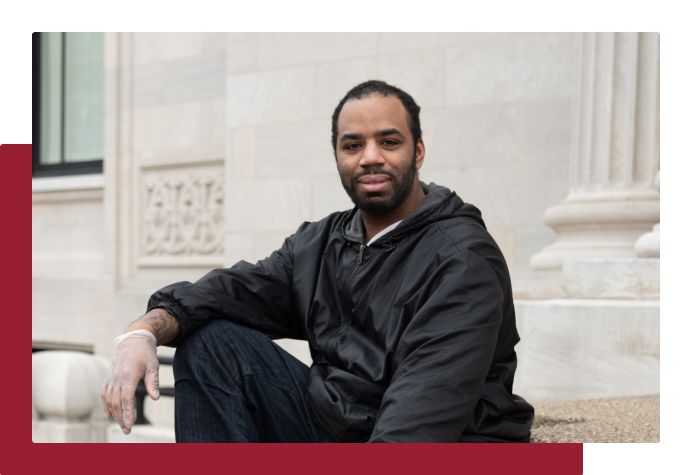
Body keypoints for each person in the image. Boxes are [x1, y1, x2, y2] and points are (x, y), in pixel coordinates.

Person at [101, 80, 534, 443]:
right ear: (339, 158)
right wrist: (141, 334)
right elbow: (230, 292)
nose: (370, 157)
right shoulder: (323, 241)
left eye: (388, 141)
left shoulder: (462, 261)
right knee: (213, 343)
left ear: (418, 152)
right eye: (353, 145)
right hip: (334, 426)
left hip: (430, 441)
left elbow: (418, 421)